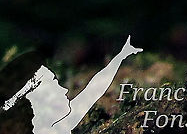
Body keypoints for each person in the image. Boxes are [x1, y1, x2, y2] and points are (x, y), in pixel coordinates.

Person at [2, 36, 141, 133]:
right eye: (56, 87)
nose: (64, 90)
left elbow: (94, 89)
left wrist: (121, 56)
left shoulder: (60, 123)